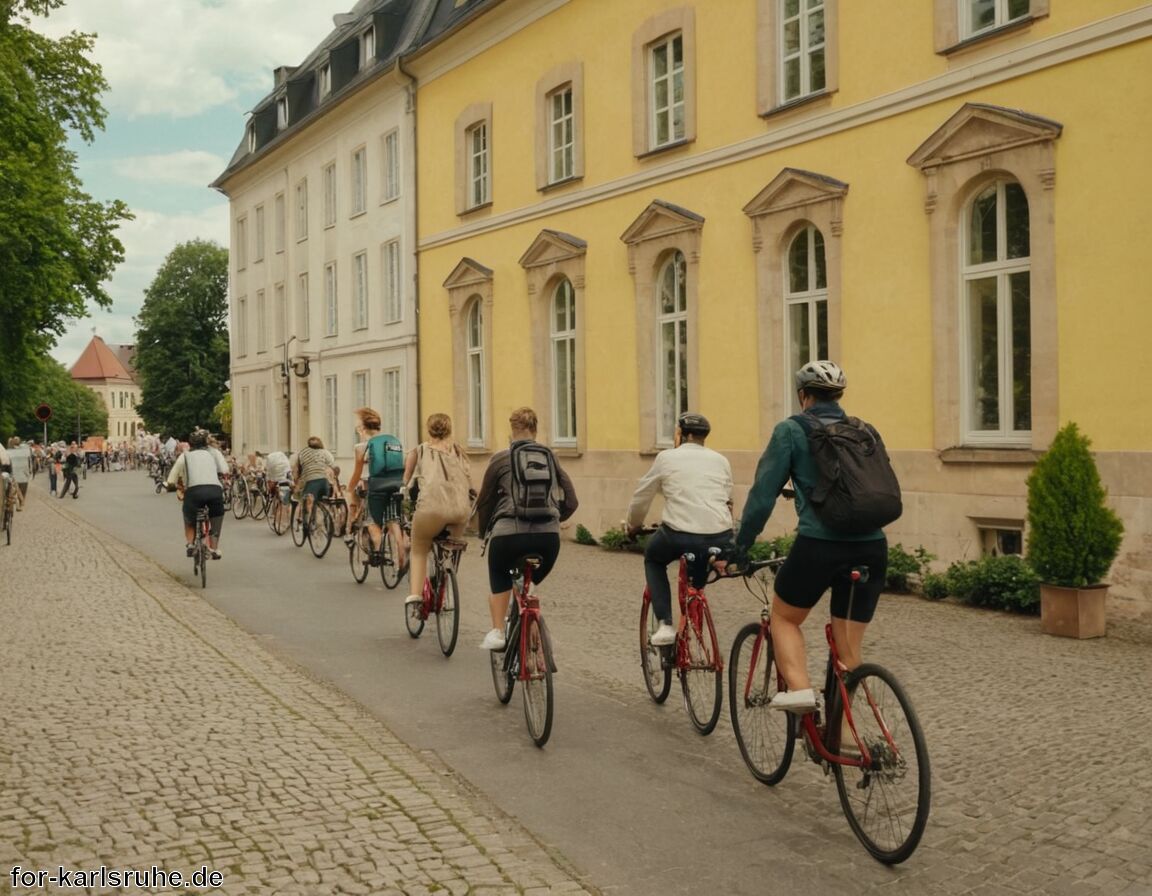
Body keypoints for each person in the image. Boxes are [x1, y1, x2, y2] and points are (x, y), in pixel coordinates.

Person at [733, 360, 889, 713]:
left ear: (803, 395)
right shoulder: (865, 430)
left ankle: (801, 691)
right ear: (839, 396)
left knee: (785, 617)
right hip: (873, 547)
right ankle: (851, 744)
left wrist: (741, 545)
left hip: (820, 546)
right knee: (849, 655)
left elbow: (762, 496)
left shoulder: (791, 431)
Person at [474, 407, 579, 650]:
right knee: (528, 582)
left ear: (511, 431)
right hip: (548, 540)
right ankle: (531, 620)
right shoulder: (550, 457)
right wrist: (555, 519)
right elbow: (572, 500)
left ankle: (498, 632)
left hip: (508, 536)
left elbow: (484, 502)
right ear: (535, 430)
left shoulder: (500, 458)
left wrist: (484, 534)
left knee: (499, 572)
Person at [626, 413, 734, 646]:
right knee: (697, 578)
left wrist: (633, 524)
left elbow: (642, 496)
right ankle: (695, 609)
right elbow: (726, 497)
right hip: (721, 535)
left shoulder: (666, 458)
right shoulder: (721, 460)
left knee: (653, 559)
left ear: (683, 435)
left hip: (679, 534)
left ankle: (665, 624)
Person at [401, 413, 473, 609]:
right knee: (452, 546)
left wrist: (403, 495)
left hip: (431, 510)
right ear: (449, 430)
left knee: (419, 547)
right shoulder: (458, 451)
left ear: (428, 429)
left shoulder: (419, 451)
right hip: (459, 512)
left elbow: (405, 482)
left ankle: (416, 594)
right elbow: (469, 478)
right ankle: (445, 576)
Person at [345, 408, 406, 568]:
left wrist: (349, 489)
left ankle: (378, 553)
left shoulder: (361, 446)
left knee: (372, 521)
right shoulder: (392, 441)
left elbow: (357, 472)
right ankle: (401, 556)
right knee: (393, 520)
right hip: (395, 485)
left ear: (362, 428)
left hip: (374, 486)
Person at [165, 427, 229, 558]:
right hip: (214, 490)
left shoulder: (186, 455)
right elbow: (225, 469)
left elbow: (173, 474)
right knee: (217, 516)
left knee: (188, 518)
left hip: (194, 491)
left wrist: (170, 484)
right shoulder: (214, 452)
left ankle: (190, 544)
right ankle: (214, 548)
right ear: (206, 442)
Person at [292, 436, 335, 531]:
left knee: (305, 499)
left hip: (311, 482)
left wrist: (296, 483)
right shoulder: (325, 452)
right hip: (324, 482)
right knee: (321, 500)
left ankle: (307, 524)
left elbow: (297, 470)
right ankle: (323, 520)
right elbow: (332, 464)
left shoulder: (302, 453)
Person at [6, 437, 32, 510]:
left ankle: (18, 503)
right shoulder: (26, 451)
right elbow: (29, 462)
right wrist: (30, 471)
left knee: (15, 490)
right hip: (24, 474)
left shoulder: (8, 452)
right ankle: (20, 504)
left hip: (14, 474)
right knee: (22, 490)